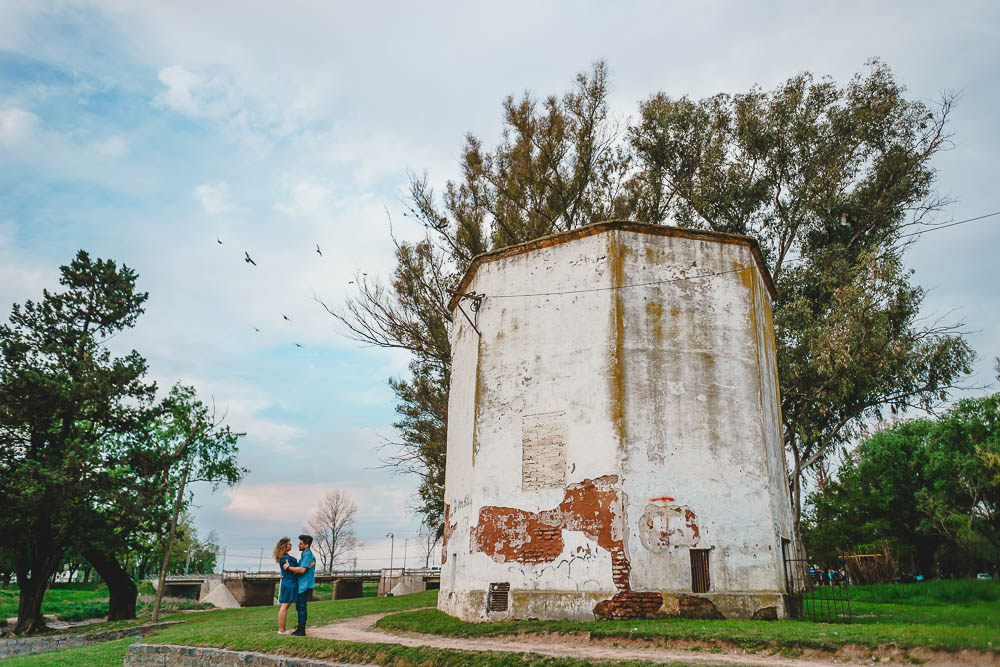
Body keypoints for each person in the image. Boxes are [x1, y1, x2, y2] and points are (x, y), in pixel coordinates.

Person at [283, 534, 316, 636]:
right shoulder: (304, 555)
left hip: (304, 586)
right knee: (300, 607)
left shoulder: (307, 555)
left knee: (301, 607)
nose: (298, 545)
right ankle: (300, 628)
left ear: (306, 545)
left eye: (301, 543)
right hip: (302, 585)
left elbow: (302, 570)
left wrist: (288, 568)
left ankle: (301, 630)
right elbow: (302, 568)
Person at [273, 537, 298, 633]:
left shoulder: (285, 557)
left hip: (289, 582)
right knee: (285, 606)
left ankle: (282, 629)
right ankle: (281, 630)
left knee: (285, 606)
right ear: (284, 546)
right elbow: (294, 570)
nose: (291, 545)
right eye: (289, 544)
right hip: (290, 582)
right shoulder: (285, 558)